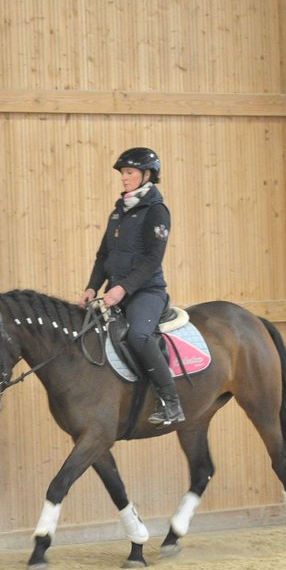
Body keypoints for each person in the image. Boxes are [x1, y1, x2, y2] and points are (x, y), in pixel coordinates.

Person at [80, 147, 185, 424]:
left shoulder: (156, 211)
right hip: (117, 291)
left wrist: (122, 288)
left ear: (146, 174)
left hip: (147, 291)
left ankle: (171, 402)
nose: (124, 178)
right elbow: (103, 255)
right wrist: (92, 287)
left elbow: (153, 259)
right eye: (123, 174)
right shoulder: (119, 212)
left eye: (129, 173)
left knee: (138, 336)